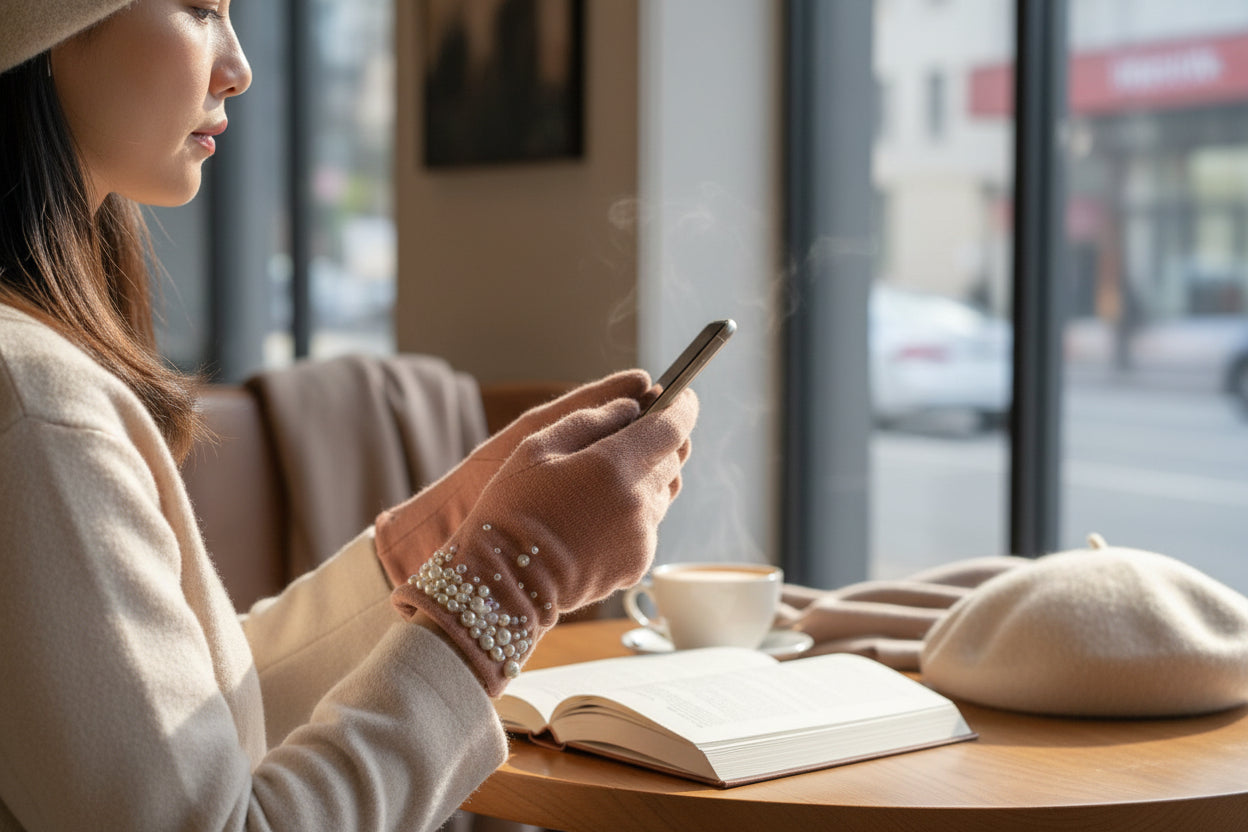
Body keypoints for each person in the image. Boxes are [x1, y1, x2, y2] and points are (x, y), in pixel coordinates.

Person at [0, 2, 699, 829]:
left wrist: (455, 526)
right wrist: (514, 577)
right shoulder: (37, 404)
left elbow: (198, 721)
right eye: (200, 8)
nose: (239, 68)